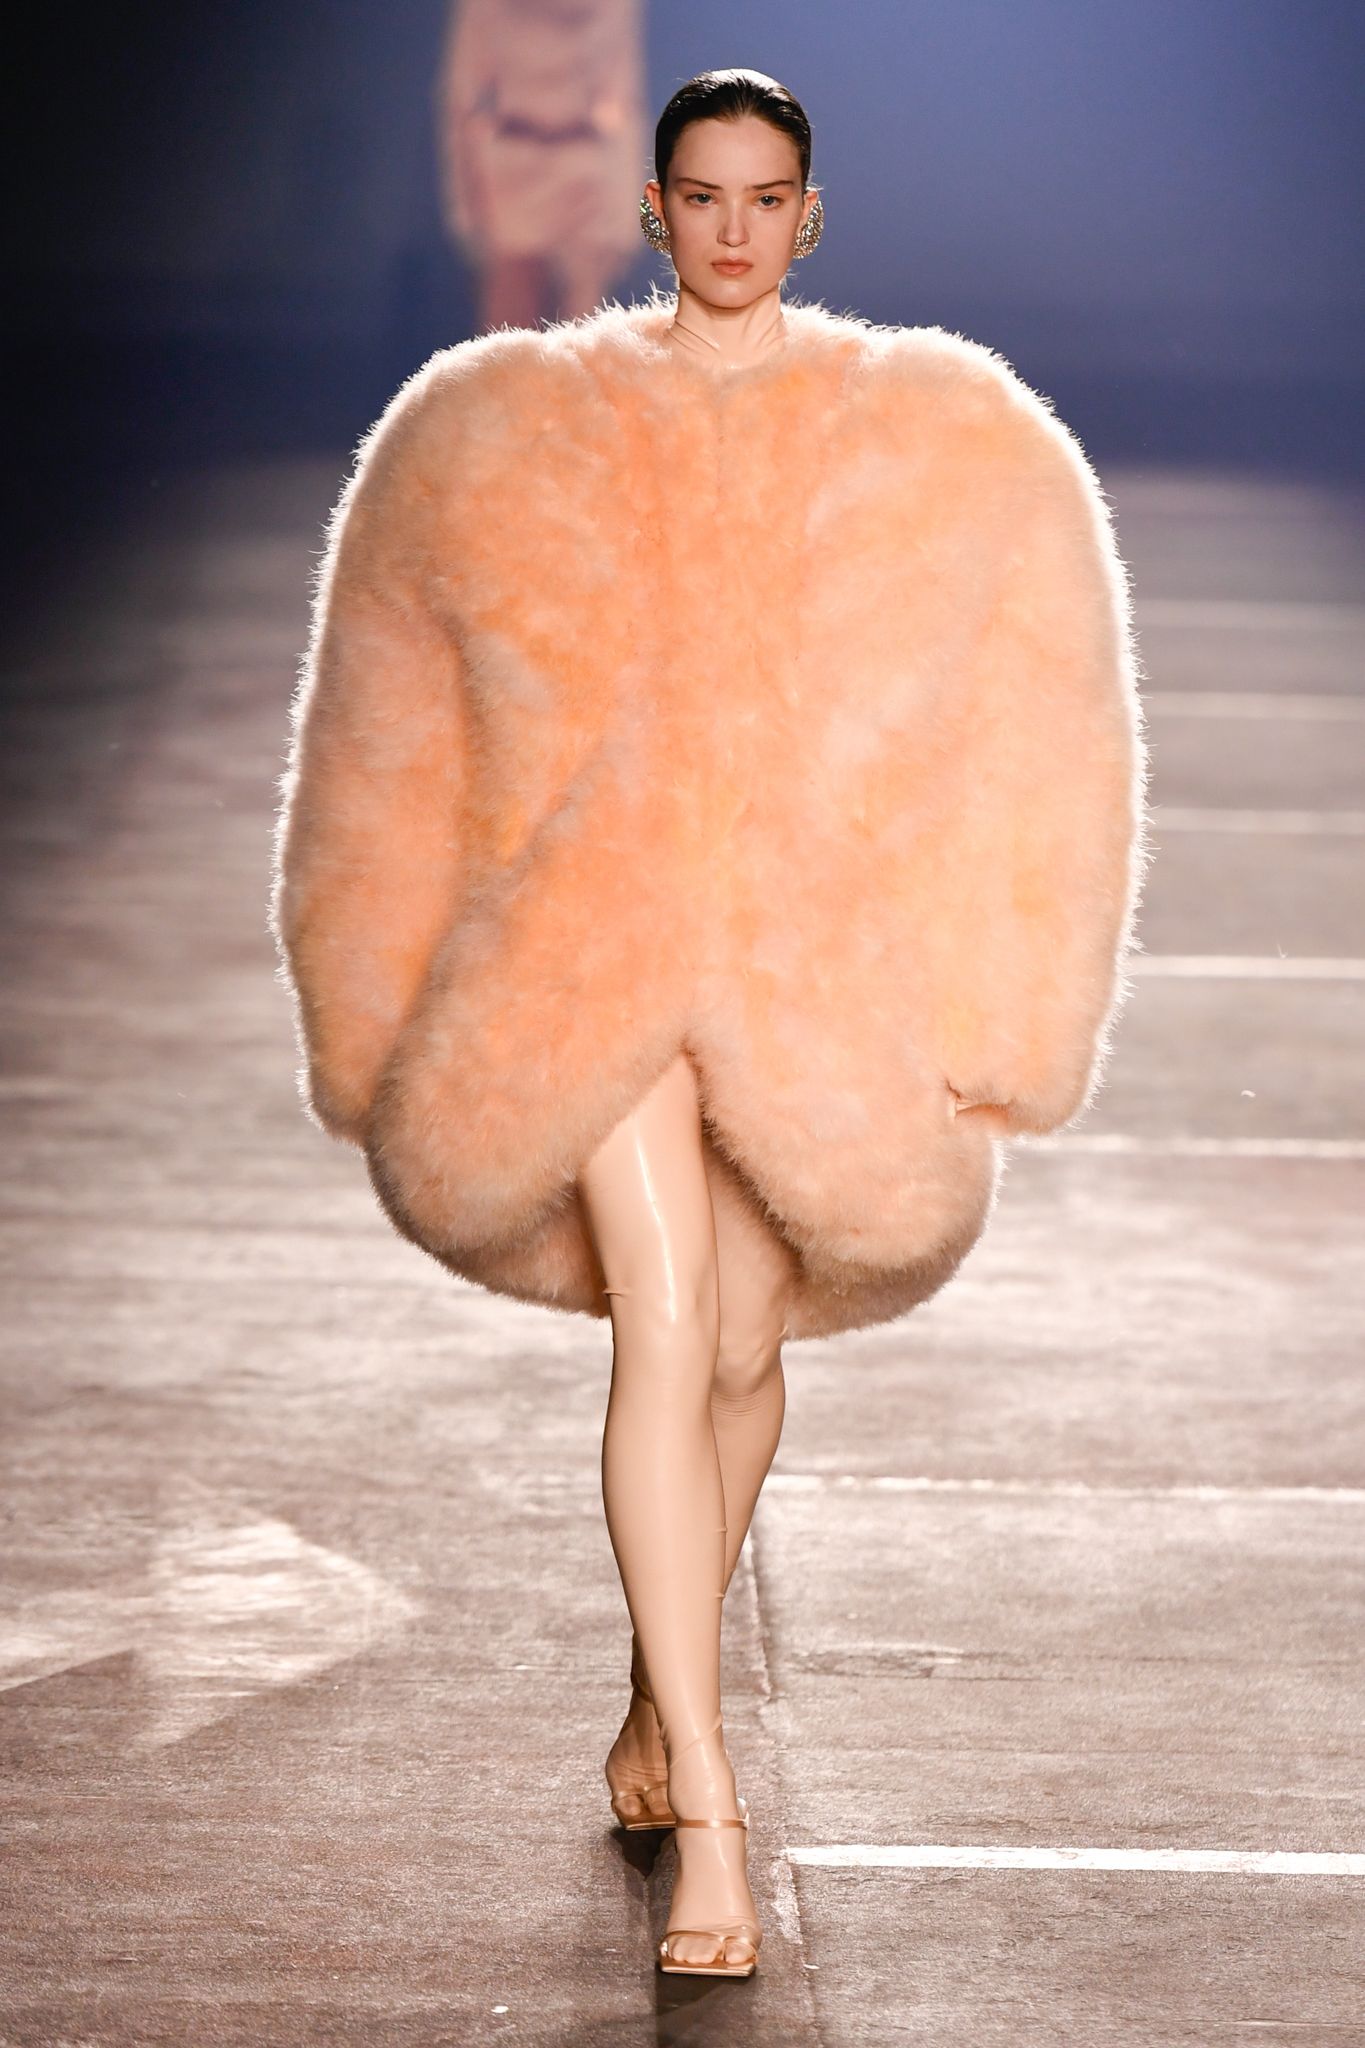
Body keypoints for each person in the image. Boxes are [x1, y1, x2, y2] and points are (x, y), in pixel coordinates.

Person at [271, 70, 1151, 1980]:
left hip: (801, 974)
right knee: (667, 1329)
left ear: (807, 215)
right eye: (702, 194)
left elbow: (1042, 739)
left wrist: (1009, 1018)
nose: (734, 229)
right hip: (582, 955)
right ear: (653, 210)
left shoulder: (939, 436)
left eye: (766, 197)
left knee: (743, 1348)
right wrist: (368, 1005)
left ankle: (652, 1695)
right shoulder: (499, 427)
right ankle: (719, 1818)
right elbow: (381, 735)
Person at [437, 0, 646, 332]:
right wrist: (466, 208)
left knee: (581, 338)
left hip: (583, 182)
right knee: (509, 338)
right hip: (512, 183)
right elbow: (463, 102)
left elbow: (623, 103)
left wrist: (626, 218)